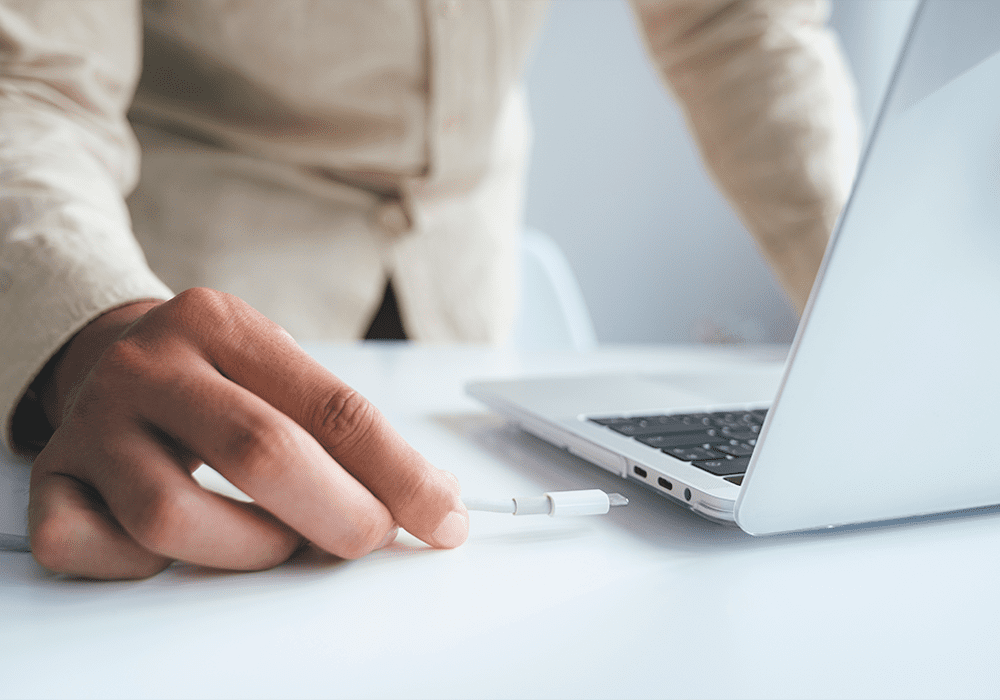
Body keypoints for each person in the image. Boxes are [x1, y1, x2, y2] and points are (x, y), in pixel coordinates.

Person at [0, 0, 859, 579]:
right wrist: (93, 319)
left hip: (469, 309)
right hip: (178, 331)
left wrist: (873, 315)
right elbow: (29, 83)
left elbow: (737, 23)